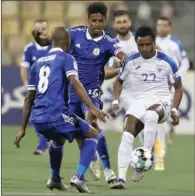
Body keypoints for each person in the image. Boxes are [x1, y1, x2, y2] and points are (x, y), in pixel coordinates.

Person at [31, 2, 127, 184]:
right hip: (70, 94)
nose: (97, 24)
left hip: (91, 93)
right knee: (73, 136)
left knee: (91, 120)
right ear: (88, 19)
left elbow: (119, 52)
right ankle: (87, 161)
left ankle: (109, 172)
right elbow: (49, 42)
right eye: (93, 20)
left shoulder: (109, 41)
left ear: (105, 20)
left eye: (100, 20)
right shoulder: (74, 34)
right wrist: (37, 38)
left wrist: (124, 58)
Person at [13, 27, 109, 193]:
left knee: (58, 140)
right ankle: (79, 177)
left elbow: (29, 98)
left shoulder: (36, 64)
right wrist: (92, 107)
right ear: (67, 43)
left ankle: (55, 179)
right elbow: (75, 82)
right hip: (56, 115)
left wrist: (22, 129)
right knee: (93, 134)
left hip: (38, 120)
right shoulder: (67, 58)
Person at [109, 26, 183, 189]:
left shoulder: (167, 61)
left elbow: (178, 87)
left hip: (161, 101)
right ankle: (121, 179)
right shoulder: (130, 61)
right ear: (137, 44)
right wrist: (115, 102)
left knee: (150, 115)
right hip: (138, 101)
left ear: (154, 43)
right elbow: (119, 82)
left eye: (148, 44)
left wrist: (174, 109)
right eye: (141, 45)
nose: (144, 48)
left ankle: (143, 162)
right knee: (127, 131)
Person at [152, 16, 190, 170]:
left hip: (171, 85)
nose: (161, 27)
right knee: (153, 120)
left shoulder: (175, 43)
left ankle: (159, 156)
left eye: (164, 25)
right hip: (154, 85)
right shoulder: (151, 41)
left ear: (169, 27)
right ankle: (154, 152)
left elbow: (185, 62)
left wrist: (176, 76)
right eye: (159, 24)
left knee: (162, 118)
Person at [20, 19, 52, 155]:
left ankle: (44, 143)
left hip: (51, 89)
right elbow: (24, 67)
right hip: (36, 90)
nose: (41, 32)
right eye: (38, 30)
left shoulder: (53, 48)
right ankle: (43, 143)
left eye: (43, 29)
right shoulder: (29, 48)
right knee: (34, 117)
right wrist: (27, 83)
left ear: (48, 30)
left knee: (49, 117)